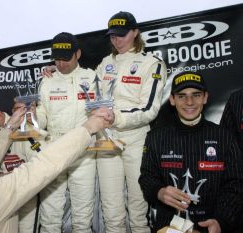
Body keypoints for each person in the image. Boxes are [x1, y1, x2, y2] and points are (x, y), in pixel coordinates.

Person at [139, 71, 243, 233]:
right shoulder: (156, 137)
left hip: (212, 223)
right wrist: (159, 192)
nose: (189, 102)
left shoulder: (224, 136)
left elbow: (235, 184)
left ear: (205, 97)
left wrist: (220, 221)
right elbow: (147, 177)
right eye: (182, 96)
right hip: (169, 225)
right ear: (172, 100)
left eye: (196, 95)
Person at [94, 11, 167, 233]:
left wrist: (117, 117)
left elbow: (149, 109)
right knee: (111, 209)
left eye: (122, 34)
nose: (116, 40)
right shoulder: (105, 63)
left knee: (138, 210)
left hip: (136, 139)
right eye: (112, 35)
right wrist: (52, 72)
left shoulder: (151, 63)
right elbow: (87, 91)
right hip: (106, 140)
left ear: (135, 32)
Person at [35, 32, 97, 233]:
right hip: (54, 149)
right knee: (50, 216)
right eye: (57, 59)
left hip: (84, 151)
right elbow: (41, 119)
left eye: (66, 58)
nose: (61, 64)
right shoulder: (46, 80)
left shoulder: (92, 77)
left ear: (78, 53)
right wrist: (31, 116)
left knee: (82, 217)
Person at [0, 100, 45, 233]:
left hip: (28, 196)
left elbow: (41, 163)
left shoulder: (23, 126)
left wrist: (12, 176)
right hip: (3, 200)